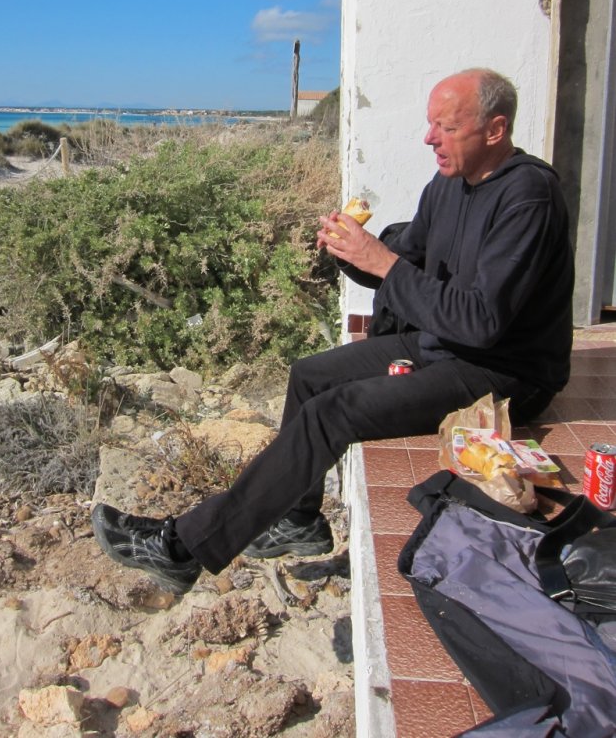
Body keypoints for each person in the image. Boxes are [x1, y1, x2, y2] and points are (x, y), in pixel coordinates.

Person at [91, 68, 574, 595]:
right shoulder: (448, 184)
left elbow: (481, 321)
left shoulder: (529, 195)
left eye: (447, 127)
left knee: (333, 413)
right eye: (430, 124)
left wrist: (384, 262)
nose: (429, 138)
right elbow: (406, 261)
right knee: (310, 375)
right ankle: (298, 521)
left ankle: (183, 549)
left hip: (504, 371)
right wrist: (351, 252)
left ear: (495, 130)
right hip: (443, 343)